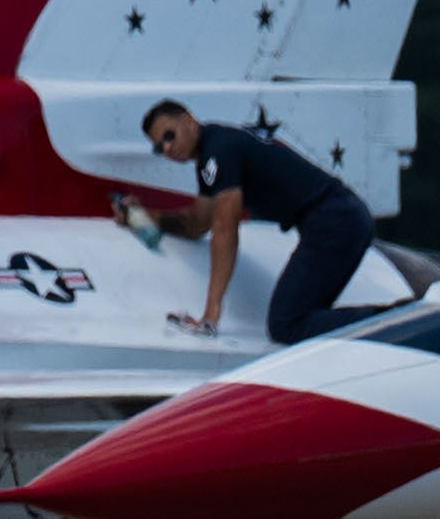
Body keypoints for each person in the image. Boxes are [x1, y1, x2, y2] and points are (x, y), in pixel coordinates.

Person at [141, 98, 379, 344]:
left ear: (189, 122)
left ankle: (395, 320)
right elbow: (197, 224)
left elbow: (225, 227)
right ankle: (392, 320)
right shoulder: (212, 155)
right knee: (297, 319)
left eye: (169, 136)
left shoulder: (218, 152)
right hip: (338, 217)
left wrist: (211, 314)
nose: (167, 148)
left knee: (286, 324)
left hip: (334, 220)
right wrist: (144, 216)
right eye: (160, 148)